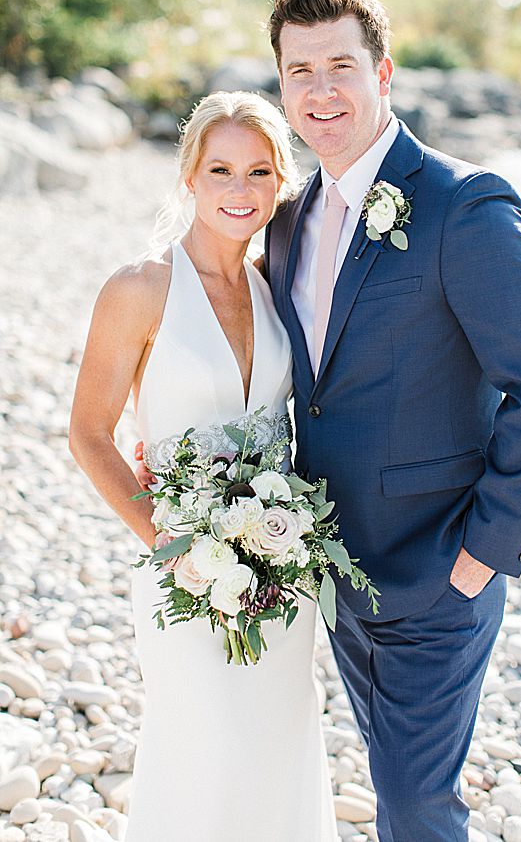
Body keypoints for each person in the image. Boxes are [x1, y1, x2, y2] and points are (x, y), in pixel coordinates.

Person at [261, 0, 521, 842]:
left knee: (414, 804)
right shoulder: (288, 221)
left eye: (341, 67)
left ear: (384, 73)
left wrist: (484, 552)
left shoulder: (461, 203)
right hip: (331, 563)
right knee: (389, 775)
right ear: (282, 85)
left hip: (438, 570)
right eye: (300, 72)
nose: (321, 91)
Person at [69, 91, 339, 841]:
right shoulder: (140, 288)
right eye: (220, 169)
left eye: (258, 172)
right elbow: (89, 432)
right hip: (183, 575)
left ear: (280, 183)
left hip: (284, 577)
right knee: (201, 753)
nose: (239, 190)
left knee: (278, 752)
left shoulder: (277, 290)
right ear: (189, 176)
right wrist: (170, 540)